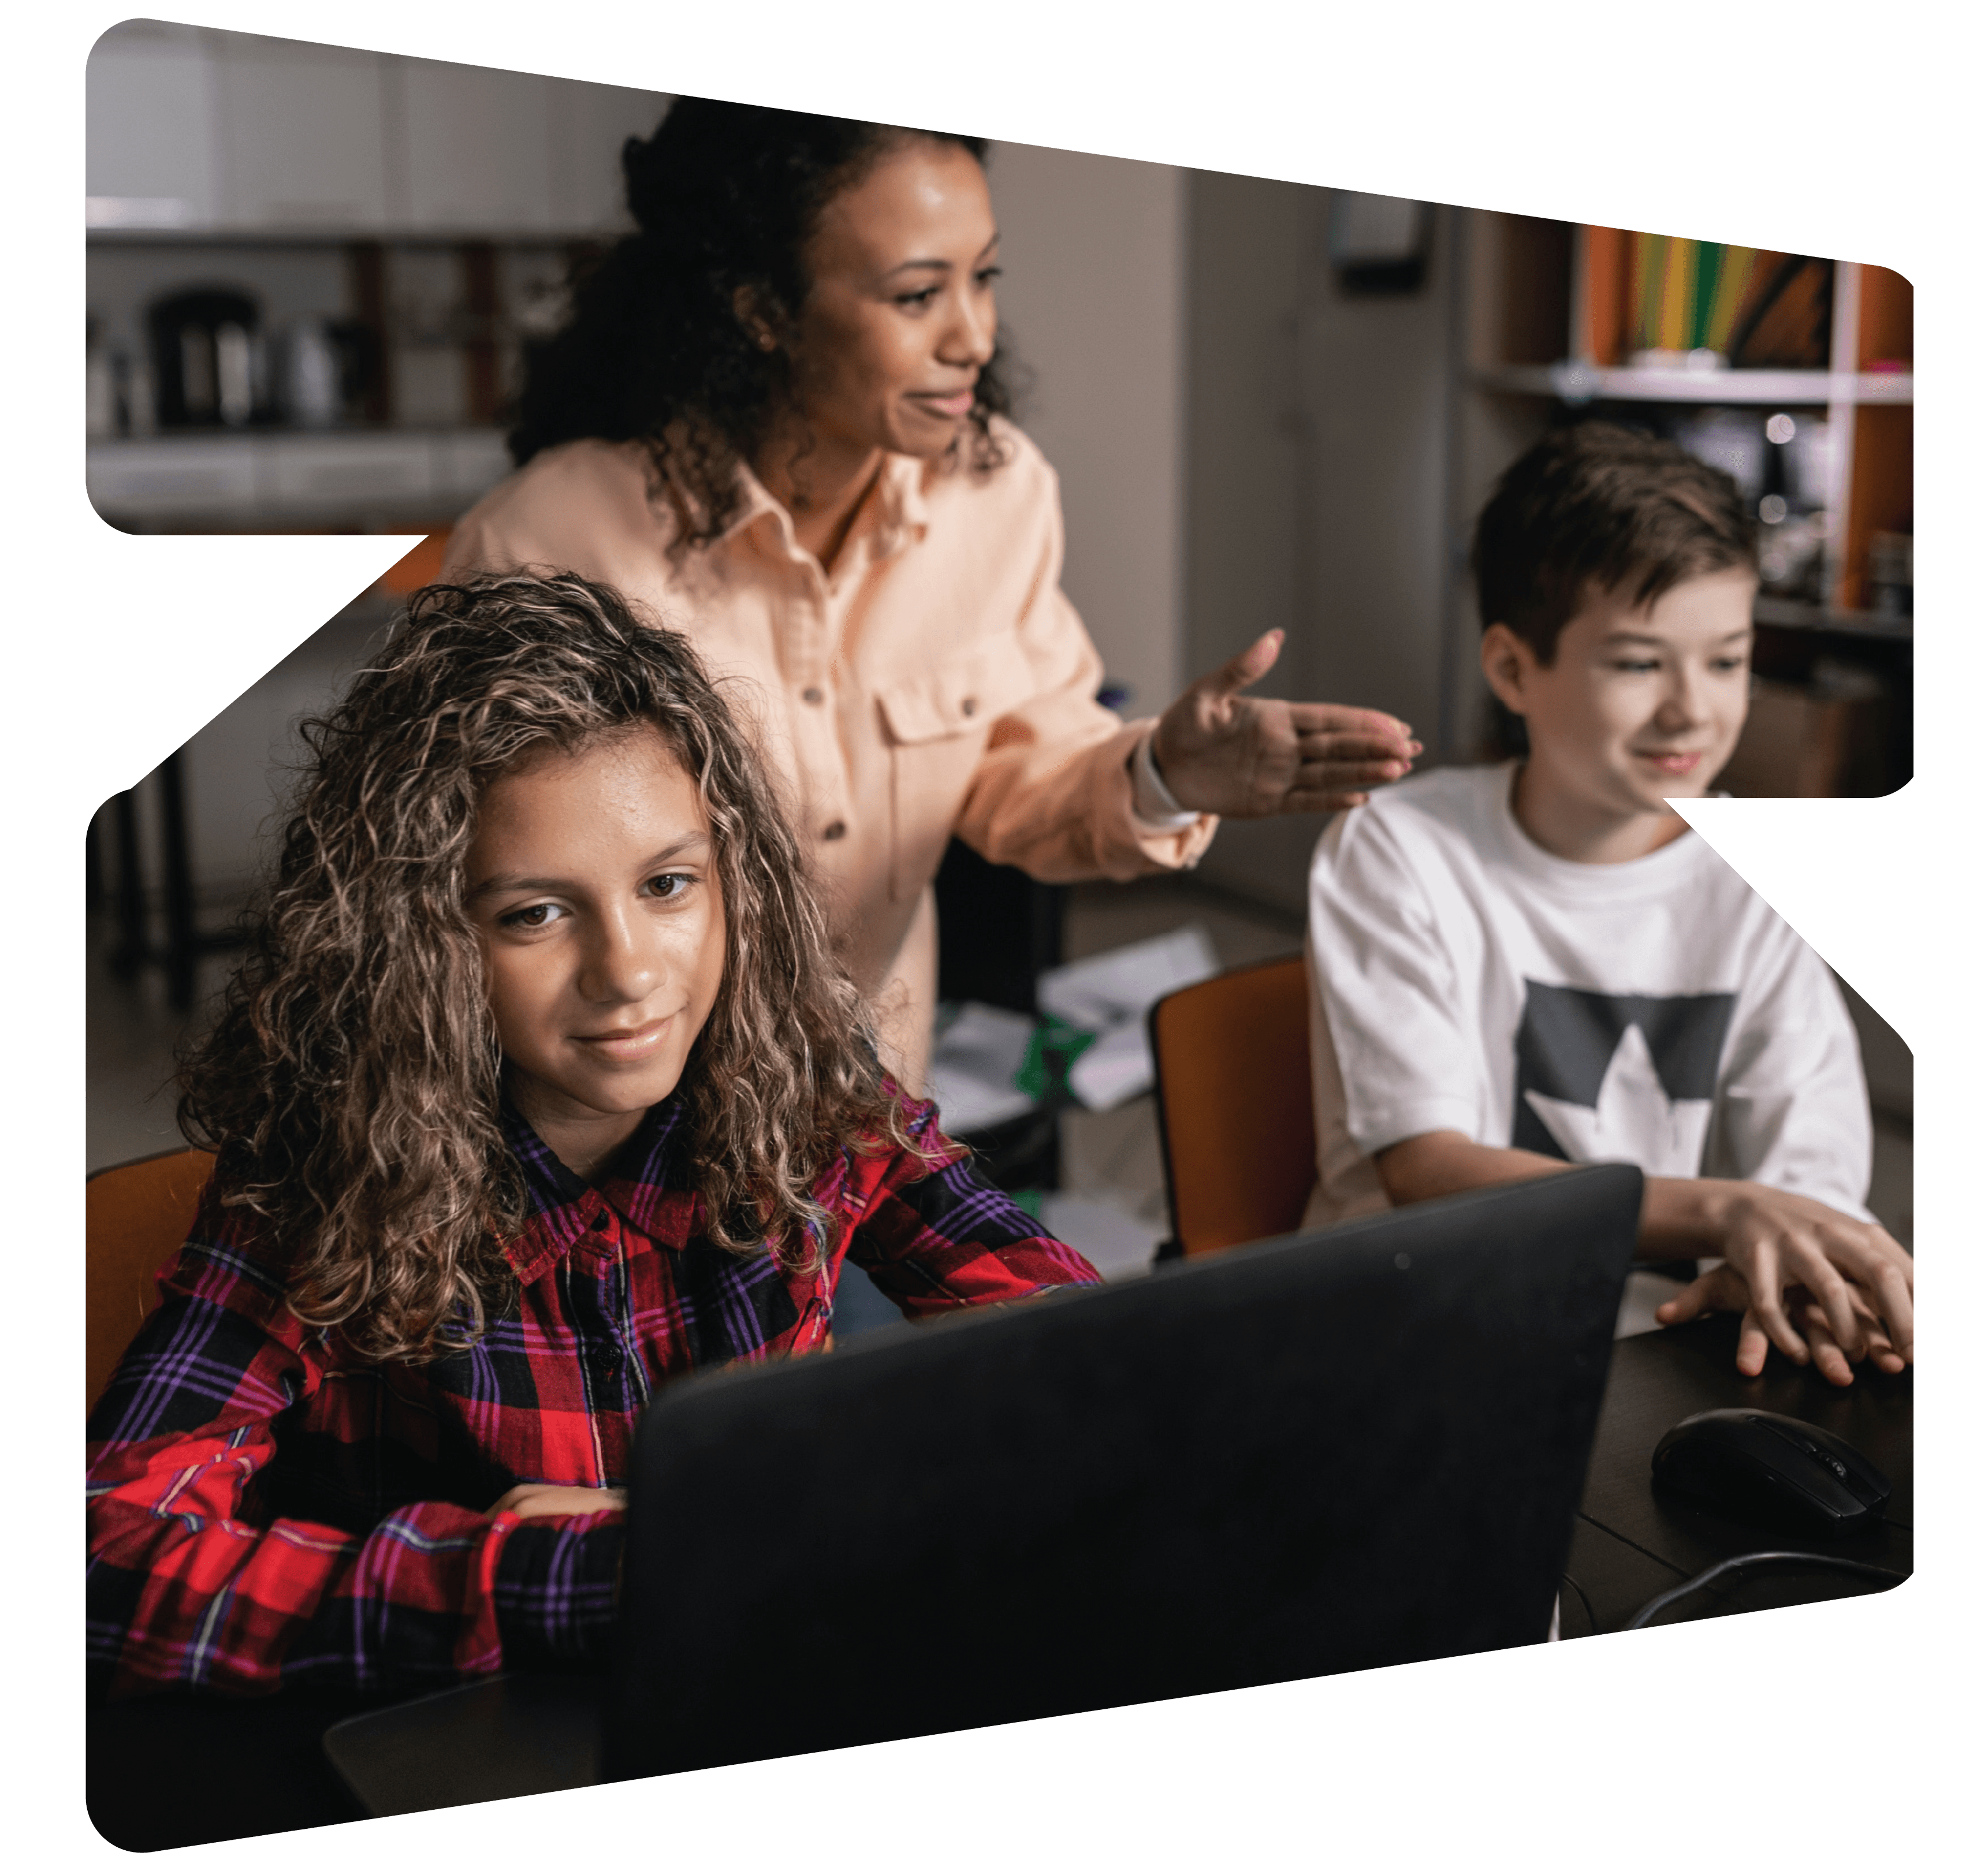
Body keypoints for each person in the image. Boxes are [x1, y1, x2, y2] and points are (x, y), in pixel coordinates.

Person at [85, 574, 1100, 1701]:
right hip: (457, 1753)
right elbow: (101, 1560)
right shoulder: (318, 1179)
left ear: (734, 885)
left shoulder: (801, 1080)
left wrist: (718, 1522)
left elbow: (1085, 1365)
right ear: (418, 942)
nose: (627, 973)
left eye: (668, 884)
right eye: (535, 913)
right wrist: (535, 1573)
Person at [442, 100, 1420, 1089]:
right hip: (624, 1128)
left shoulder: (996, 495)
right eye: (918, 295)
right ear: (761, 309)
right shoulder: (541, 542)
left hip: (870, 1108)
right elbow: (481, 904)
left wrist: (1165, 770)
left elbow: (1022, 779)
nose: (975, 336)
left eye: (983, 278)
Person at [1302, 424, 1912, 1386]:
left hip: (1658, 1347)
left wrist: (1781, 1269)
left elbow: (1806, 1168)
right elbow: (1425, 1170)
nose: (1691, 711)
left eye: (1725, 661)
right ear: (1511, 671)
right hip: (1415, 1334)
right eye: (1637, 664)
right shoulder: (1398, 846)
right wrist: (1724, 1214)